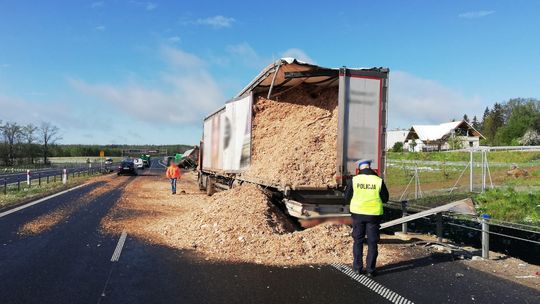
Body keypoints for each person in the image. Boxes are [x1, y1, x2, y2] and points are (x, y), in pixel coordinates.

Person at [345, 159, 389, 277]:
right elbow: (385, 198)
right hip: (373, 215)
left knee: (358, 241)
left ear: (359, 169)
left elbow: (346, 197)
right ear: (371, 168)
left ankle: (357, 268)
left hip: (357, 214)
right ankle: (370, 270)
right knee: (372, 242)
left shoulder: (354, 180)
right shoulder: (378, 181)